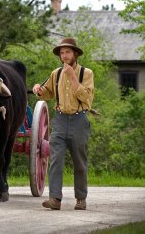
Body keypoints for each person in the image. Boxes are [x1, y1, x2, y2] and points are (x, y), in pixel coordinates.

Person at [32, 37, 94, 210]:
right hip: (59, 121)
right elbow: (48, 93)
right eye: (62, 53)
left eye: (67, 52)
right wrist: (39, 89)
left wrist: (73, 77)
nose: (64, 56)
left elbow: (87, 98)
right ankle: (55, 199)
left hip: (79, 120)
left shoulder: (86, 73)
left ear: (75, 54)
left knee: (79, 162)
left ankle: (81, 198)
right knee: (55, 159)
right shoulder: (56, 73)